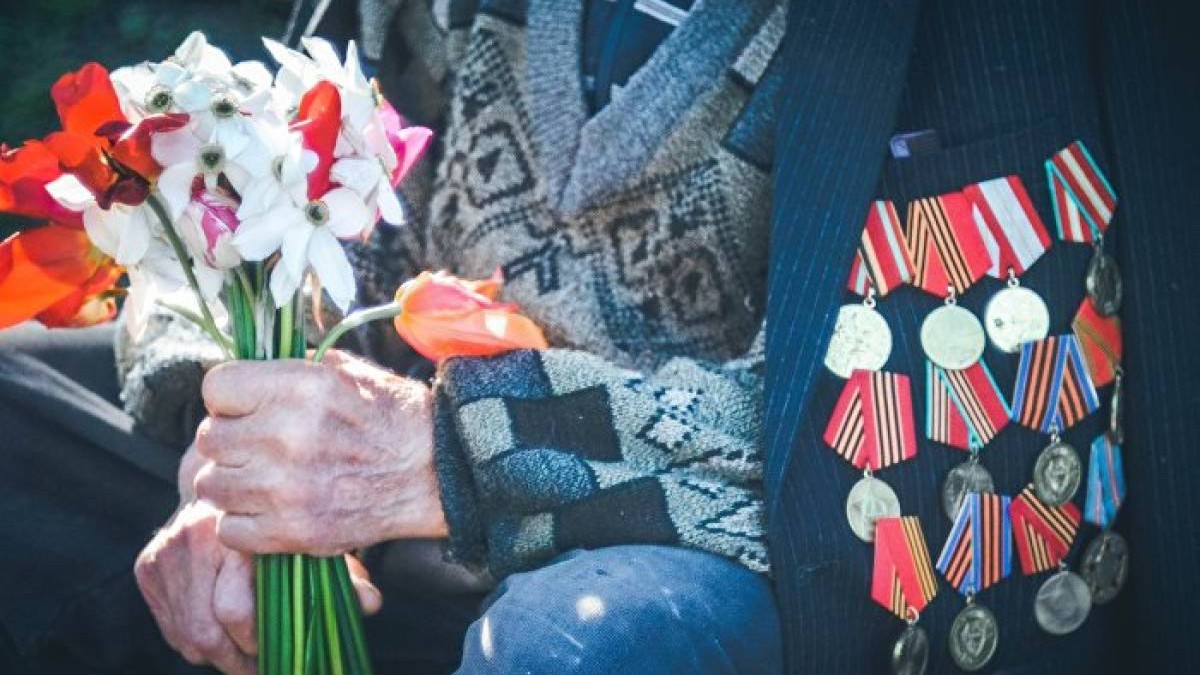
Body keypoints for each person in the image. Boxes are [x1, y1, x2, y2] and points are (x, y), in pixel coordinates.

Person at [1, 1, 1197, 675]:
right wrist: (236, 454)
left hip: (693, 591)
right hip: (383, 547)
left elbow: (967, 440)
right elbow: (288, 173)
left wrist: (451, 456)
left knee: (586, 644)